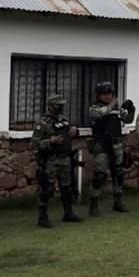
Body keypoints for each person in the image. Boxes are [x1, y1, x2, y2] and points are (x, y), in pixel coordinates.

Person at [32, 94, 83, 227]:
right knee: (47, 189)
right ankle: (42, 217)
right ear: (50, 106)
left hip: (65, 158)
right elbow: (35, 143)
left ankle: (68, 213)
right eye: (57, 105)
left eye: (61, 105)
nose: (60, 107)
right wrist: (50, 141)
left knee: (67, 187)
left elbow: (70, 132)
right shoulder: (42, 123)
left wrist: (74, 131)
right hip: (51, 160)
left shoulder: (63, 120)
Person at [88, 82, 135, 216]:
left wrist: (131, 108)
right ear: (99, 95)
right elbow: (99, 114)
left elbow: (128, 120)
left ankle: (118, 202)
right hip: (102, 145)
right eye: (104, 94)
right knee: (100, 176)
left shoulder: (116, 109)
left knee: (118, 174)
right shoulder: (94, 108)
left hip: (116, 144)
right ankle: (94, 205)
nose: (108, 96)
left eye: (110, 94)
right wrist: (111, 105)